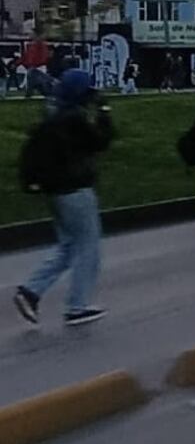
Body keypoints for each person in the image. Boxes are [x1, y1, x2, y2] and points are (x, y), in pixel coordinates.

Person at [13, 69, 114, 326]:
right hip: (76, 190)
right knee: (88, 247)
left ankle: (30, 291)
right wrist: (104, 113)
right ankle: (77, 306)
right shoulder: (75, 120)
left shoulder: (53, 116)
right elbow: (100, 142)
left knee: (68, 246)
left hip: (55, 192)